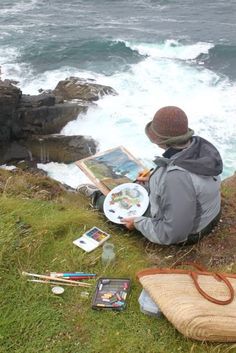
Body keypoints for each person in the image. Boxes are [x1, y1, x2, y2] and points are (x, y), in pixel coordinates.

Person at [78, 106, 222, 245]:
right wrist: (152, 179)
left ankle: (96, 197)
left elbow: (173, 233)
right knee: (136, 190)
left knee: (112, 205)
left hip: (193, 231)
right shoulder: (199, 146)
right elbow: (190, 184)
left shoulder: (176, 178)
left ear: (161, 141)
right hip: (210, 214)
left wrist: (138, 223)